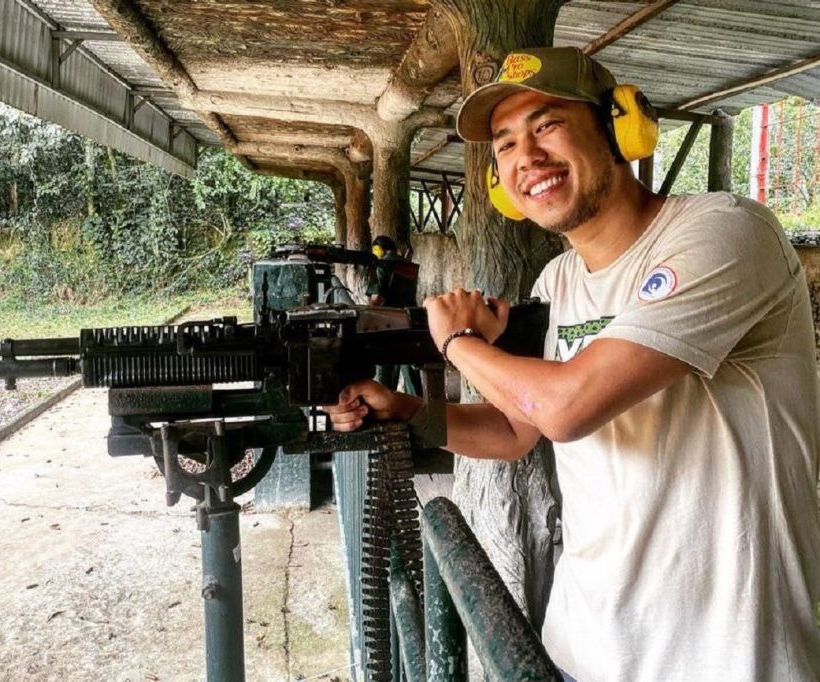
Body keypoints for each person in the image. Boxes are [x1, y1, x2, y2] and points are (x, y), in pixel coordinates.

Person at [326, 46, 820, 680]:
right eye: (504, 145)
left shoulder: (724, 233)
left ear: (620, 129)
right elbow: (515, 430)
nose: (525, 156)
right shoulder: (558, 280)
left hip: (725, 654)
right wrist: (407, 410)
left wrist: (457, 343)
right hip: (585, 643)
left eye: (548, 124)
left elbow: (564, 408)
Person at [366, 235, 422, 394]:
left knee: (386, 369)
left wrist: (369, 312)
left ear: (378, 249)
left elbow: (377, 298)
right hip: (410, 320)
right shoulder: (409, 266)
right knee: (410, 369)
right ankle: (419, 408)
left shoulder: (382, 264)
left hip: (388, 323)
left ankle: (387, 406)